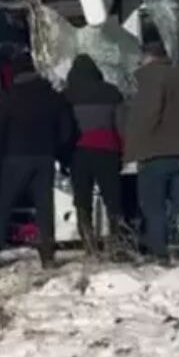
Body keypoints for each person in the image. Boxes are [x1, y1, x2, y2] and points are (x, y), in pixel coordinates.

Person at [0, 52, 75, 269]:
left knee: (5, 204)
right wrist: (55, 148)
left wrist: (2, 150)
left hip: (16, 158)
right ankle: (48, 257)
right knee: (44, 206)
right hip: (45, 158)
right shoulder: (53, 96)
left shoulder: (11, 97)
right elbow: (66, 130)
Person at [124, 40, 179, 264]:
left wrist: (133, 147)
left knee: (153, 206)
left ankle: (159, 254)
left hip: (156, 150)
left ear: (147, 57)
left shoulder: (150, 78)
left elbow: (147, 114)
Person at [63, 54, 127, 256]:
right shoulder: (112, 93)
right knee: (113, 200)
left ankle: (90, 246)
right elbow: (122, 125)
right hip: (107, 150)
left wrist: (63, 155)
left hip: (78, 152)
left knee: (82, 201)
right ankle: (117, 242)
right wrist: (123, 151)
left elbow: (64, 129)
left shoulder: (67, 95)